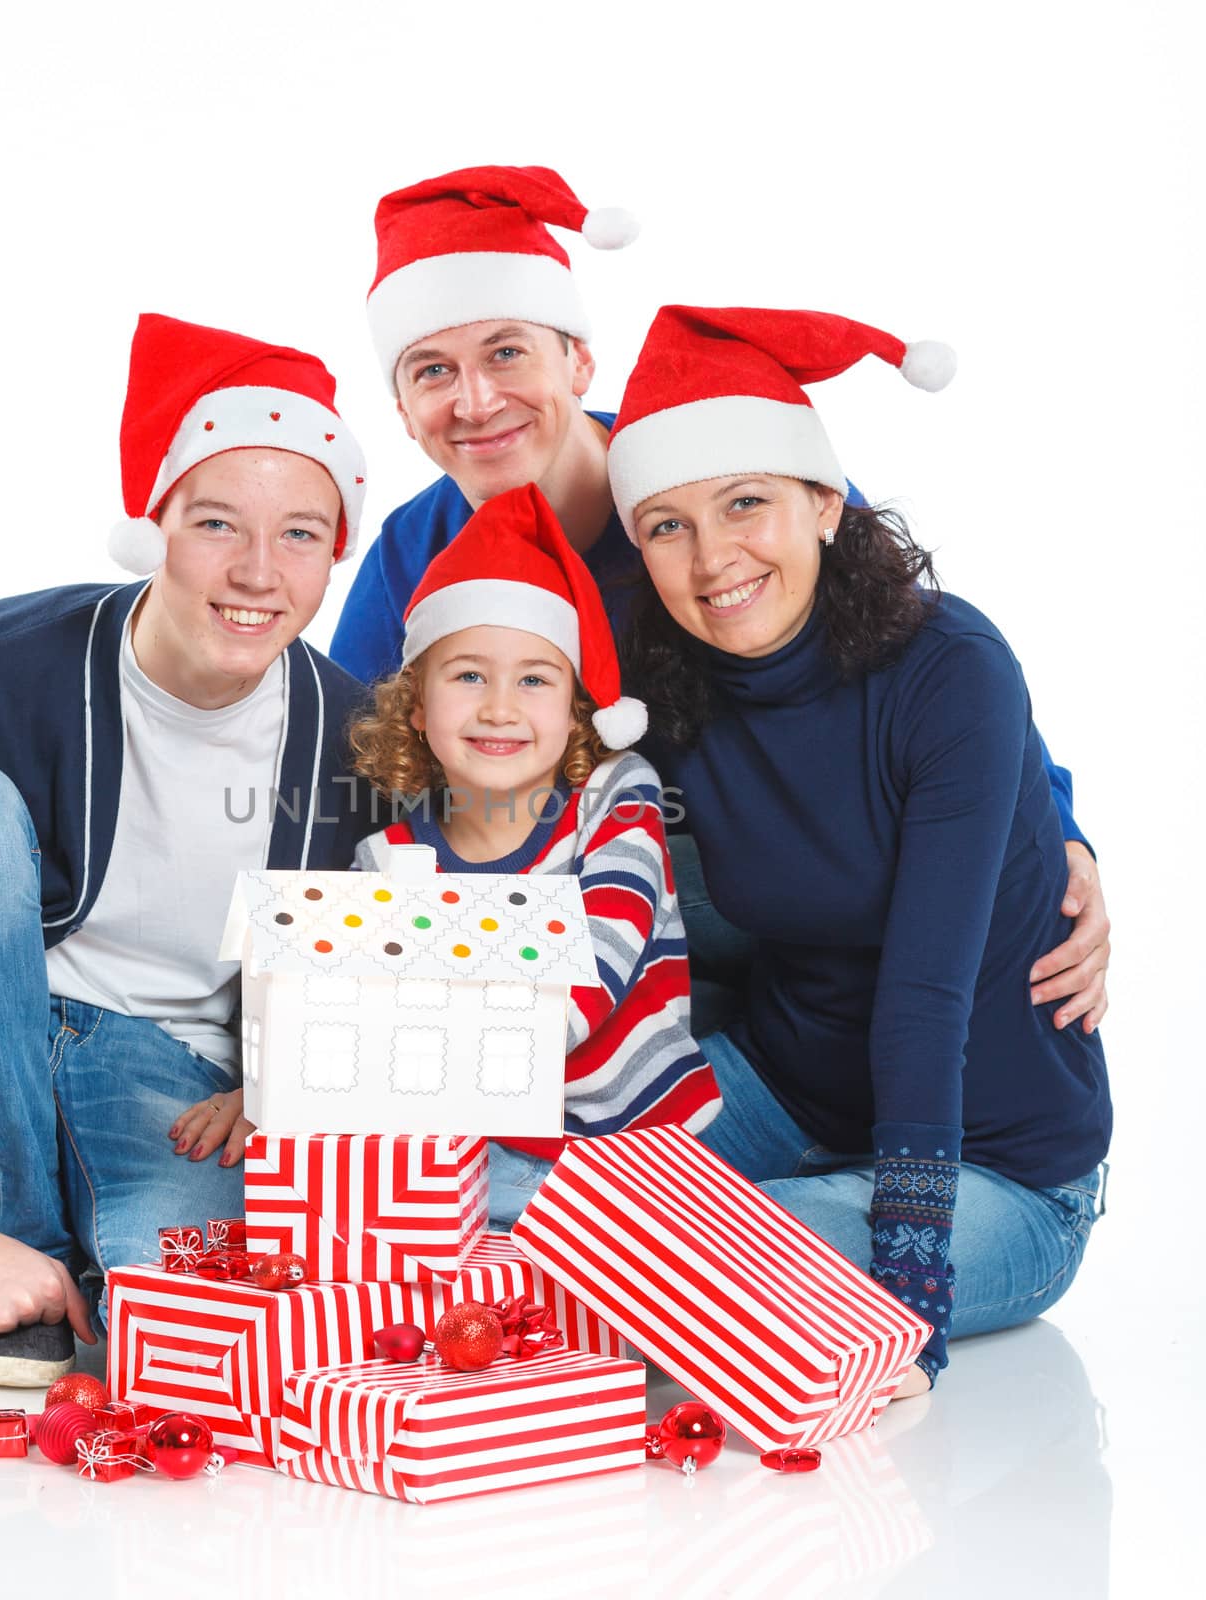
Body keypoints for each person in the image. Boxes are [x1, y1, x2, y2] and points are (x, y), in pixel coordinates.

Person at [329, 163, 1112, 1038]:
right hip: (564, 903)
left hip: (790, 875)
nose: (475, 400)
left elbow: (926, 653)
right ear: (401, 409)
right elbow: (343, 775)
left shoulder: (714, 459)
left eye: (507, 351)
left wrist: (1057, 834)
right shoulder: (409, 553)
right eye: (431, 371)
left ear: (579, 359)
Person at [0, 316, 374, 1385]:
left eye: (302, 534)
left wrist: (280, 1083)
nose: (258, 572)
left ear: (335, 552)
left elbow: (364, 977)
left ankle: (78, 1268)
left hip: (173, 1089)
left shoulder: (350, 735)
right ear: (156, 525)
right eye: (217, 522)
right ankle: (18, 1232)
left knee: (198, 1354)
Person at [609, 304, 1111, 1391]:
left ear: (825, 504)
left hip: (991, 1165)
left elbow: (924, 992)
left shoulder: (949, 667)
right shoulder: (666, 685)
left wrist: (910, 1275)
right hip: (783, 1090)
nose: (711, 557)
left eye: (745, 502)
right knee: (552, 1216)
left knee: (667, 1267)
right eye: (664, 524)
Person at [348, 482, 720, 1218]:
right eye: (467, 676)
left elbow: (596, 956)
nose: (498, 707)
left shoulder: (613, 800)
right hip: (477, 1146)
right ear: (418, 707)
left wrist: (431, 1055)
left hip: (641, 1150)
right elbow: (354, 1010)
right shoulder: (385, 859)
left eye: (533, 680)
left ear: (576, 707)